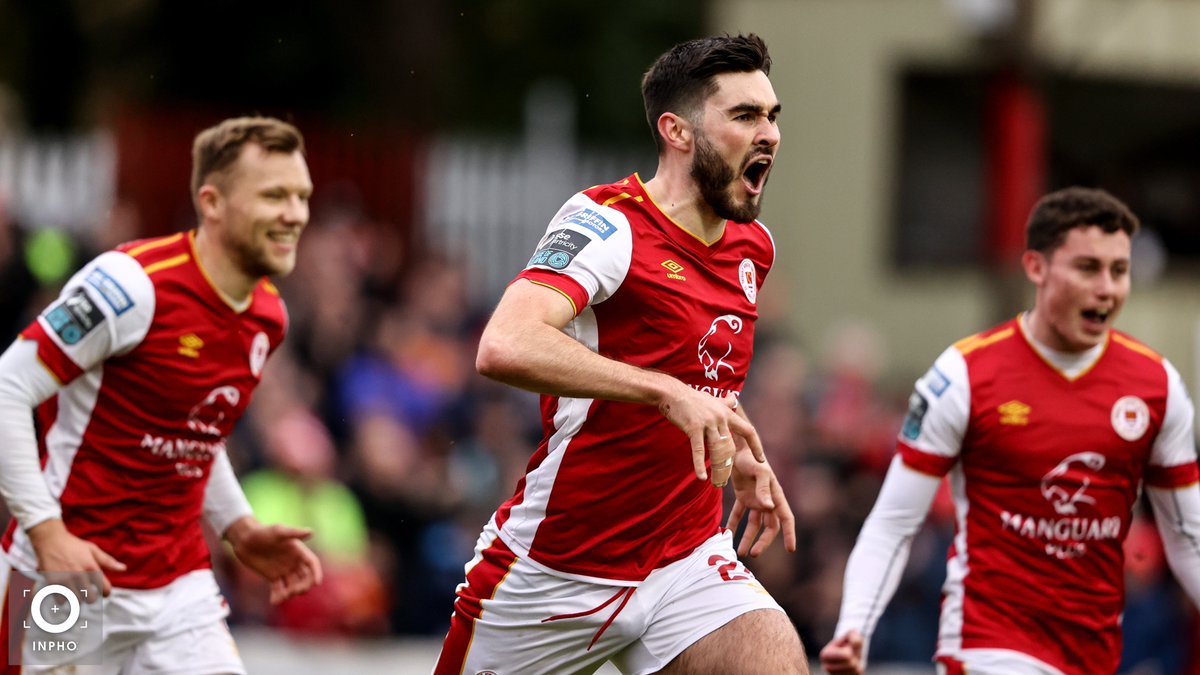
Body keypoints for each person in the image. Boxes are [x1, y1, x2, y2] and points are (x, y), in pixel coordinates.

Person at [433, 34, 808, 675]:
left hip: (684, 559)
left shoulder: (754, 245)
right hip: (557, 570)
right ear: (677, 131)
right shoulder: (607, 223)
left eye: (772, 115)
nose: (768, 133)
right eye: (745, 116)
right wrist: (665, 392)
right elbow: (504, 344)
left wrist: (738, 443)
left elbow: (698, 367)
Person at [819, 187, 1200, 675]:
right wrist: (854, 628)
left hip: (1096, 654)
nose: (1107, 287)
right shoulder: (962, 376)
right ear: (1036, 268)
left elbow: (1186, 536)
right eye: (1087, 268)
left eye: (1119, 271)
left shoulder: (1157, 385)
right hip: (987, 644)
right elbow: (893, 522)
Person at [0, 116, 323, 673]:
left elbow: (195, 430)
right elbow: (8, 385)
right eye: (274, 195)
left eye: (301, 196)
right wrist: (46, 532)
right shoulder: (130, 286)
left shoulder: (268, 316)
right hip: (65, 575)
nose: (295, 213)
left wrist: (238, 526)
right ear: (212, 202)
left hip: (178, 590)